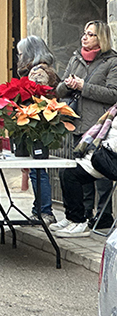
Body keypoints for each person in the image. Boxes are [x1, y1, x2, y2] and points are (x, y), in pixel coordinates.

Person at [54, 21, 117, 236]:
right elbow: (59, 89)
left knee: (100, 176)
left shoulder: (111, 62)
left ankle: (103, 217)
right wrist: (69, 84)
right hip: (78, 123)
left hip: (99, 128)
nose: (85, 38)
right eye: (84, 33)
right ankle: (80, 217)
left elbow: (113, 94)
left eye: (90, 34)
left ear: (101, 39)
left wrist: (84, 87)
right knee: (79, 175)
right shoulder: (76, 58)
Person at [16, 36, 60, 225]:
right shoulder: (40, 69)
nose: (18, 57)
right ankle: (40, 209)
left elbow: (39, 100)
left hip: (38, 127)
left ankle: (44, 211)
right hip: (36, 124)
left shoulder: (37, 72)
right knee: (36, 169)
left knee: (38, 170)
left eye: (20, 53)